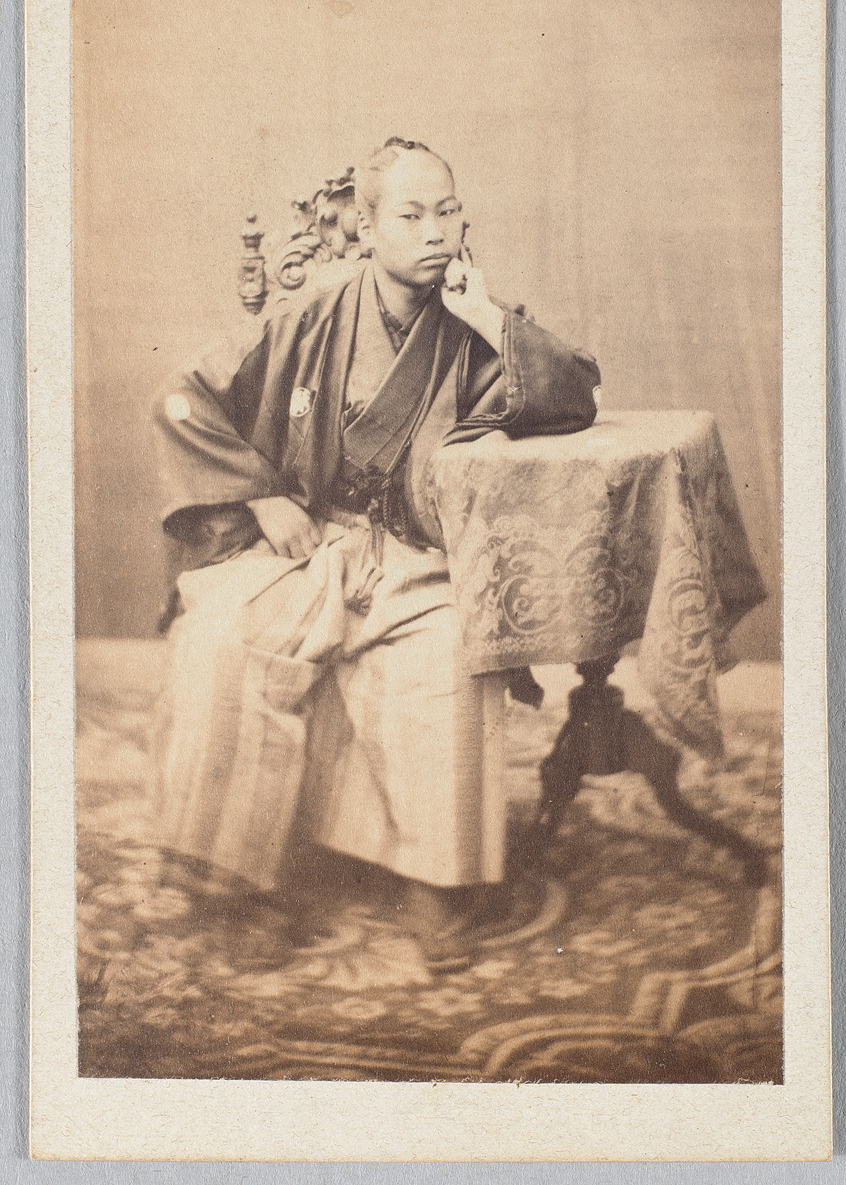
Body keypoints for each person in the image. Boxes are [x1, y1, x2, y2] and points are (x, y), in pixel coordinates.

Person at [151, 137, 600, 971]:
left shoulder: (474, 322)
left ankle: (433, 881)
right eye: (411, 214)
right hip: (308, 541)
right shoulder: (311, 315)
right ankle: (239, 883)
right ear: (365, 226)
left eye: (448, 211)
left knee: (455, 651)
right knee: (222, 640)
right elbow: (183, 397)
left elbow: (574, 394)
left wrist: (486, 318)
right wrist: (262, 494)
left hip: (419, 556)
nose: (435, 232)